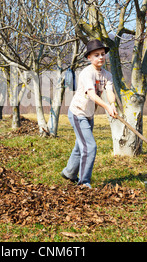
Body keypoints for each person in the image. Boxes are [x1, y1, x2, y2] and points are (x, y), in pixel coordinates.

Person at [61, 39, 118, 188]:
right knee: (90, 147)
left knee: (81, 146)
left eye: (102, 54)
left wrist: (112, 104)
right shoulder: (87, 73)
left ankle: (69, 173)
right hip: (78, 113)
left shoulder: (106, 75)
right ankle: (84, 182)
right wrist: (106, 107)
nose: (100, 57)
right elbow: (92, 95)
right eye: (96, 55)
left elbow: (110, 91)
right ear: (89, 58)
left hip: (88, 114)